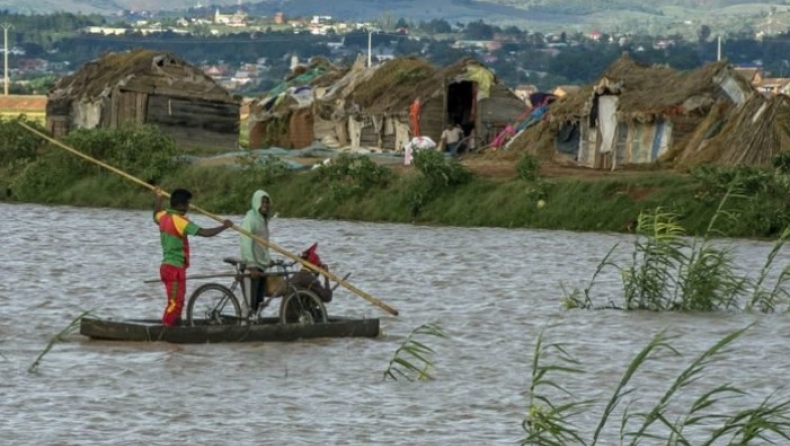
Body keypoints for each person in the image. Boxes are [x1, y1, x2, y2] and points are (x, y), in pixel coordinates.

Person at [154, 188, 233, 327]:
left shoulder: (163, 216)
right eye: (187, 204)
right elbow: (204, 232)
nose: (188, 207)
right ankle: (165, 329)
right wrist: (224, 226)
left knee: (178, 301)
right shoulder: (180, 221)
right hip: (174, 268)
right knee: (174, 303)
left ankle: (175, 325)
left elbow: (155, 214)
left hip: (167, 267)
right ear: (180, 206)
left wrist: (159, 199)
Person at [239, 190, 273, 314]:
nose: (265, 205)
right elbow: (245, 242)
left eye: (267, 202)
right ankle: (243, 325)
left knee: (259, 300)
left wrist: (268, 260)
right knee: (249, 301)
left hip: (261, 266)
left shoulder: (263, 220)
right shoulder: (251, 219)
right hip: (252, 266)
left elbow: (263, 245)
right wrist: (251, 265)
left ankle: (254, 323)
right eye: (262, 202)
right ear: (256, 203)